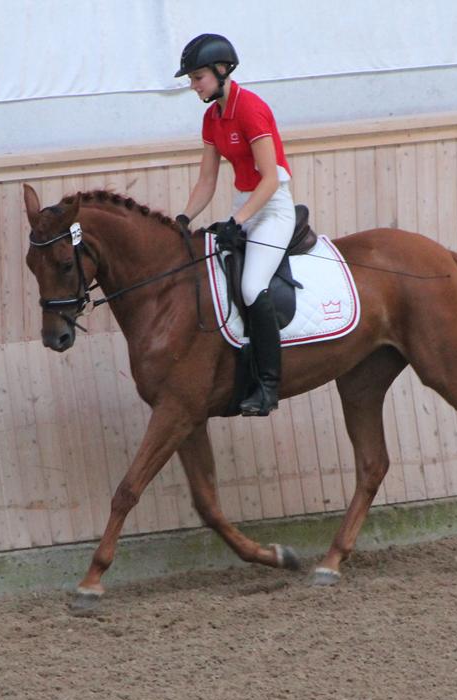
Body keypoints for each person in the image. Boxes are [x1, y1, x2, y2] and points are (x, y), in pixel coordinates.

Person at [174, 33, 294, 417]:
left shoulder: (251, 109)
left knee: (251, 285)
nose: (194, 87)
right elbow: (207, 181)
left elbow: (271, 179)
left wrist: (237, 222)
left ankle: (269, 386)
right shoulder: (212, 117)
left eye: (198, 78)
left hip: (272, 206)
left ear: (222, 71)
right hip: (245, 205)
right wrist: (183, 218)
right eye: (192, 80)